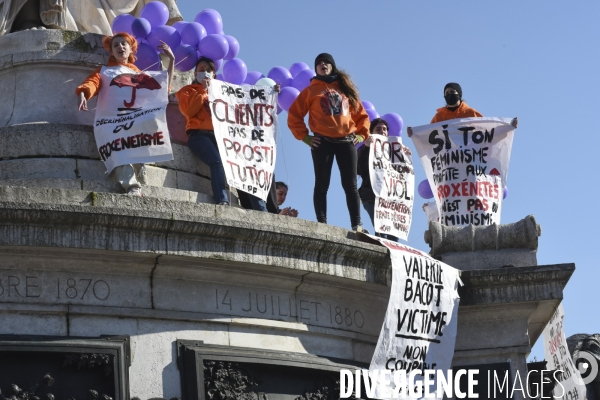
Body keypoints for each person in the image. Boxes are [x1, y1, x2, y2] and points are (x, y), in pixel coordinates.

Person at [76, 32, 174, 195]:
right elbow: (92, 83)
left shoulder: (141, 75)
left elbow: (163, 89)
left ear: (131, 49)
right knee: (117, 150)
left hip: (136, 121)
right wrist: (84, 93)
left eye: (124, 44)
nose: (120, 47)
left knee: (138, 138)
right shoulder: (105, 71)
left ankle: (139, 173)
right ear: (111, 51)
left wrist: (172, 60)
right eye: (115, 45)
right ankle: (132, 186)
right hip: (111, 122)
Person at [176, 57, 278, 210]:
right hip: (199, 135)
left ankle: (261, 209)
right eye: (201, 70)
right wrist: (203, 90)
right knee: (217, 162)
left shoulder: (223, 92)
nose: (204, 73)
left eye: (208, 70)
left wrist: (270, 94)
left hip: (222, 136)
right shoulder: (187, 91)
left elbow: (245, 107)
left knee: (245, 167)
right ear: (195, 73)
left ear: (214, 75)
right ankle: (222, 200)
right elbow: (189, 111)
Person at [287, 53, 369, 232]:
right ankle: (321, 222)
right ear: (316, 69)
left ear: (332, 66)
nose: (322, 64)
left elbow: (362, 116)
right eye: (319, 63)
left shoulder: (346, 90)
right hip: (322, 142)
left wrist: (362, 135)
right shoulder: (310, 91)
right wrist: (306, 137)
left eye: (326, 62)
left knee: (351, 185)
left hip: (346, 141)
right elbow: (294, 115)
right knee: (322, 182)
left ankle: (357, 225)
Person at [407, 82, 518, 137]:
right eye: (446, 93)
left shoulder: (471, 113)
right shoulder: (439, 117)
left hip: (469, 158)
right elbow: (429, 136)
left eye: (452, 92)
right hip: (449, 161)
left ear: (459, 94)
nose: (449, 95)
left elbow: (488, 130)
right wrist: (415, 134)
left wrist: (508, 126)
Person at [356, 118, 398, 241]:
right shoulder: (364, 149)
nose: (382, 131)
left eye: (384, 129)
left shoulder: (394, 151)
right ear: (371, 132)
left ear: (388, 133)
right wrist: (368, 148)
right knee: (382, 229)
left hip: (391, 198)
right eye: (378, 129)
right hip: (371, 196)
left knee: (394, 235)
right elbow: (359, 170)